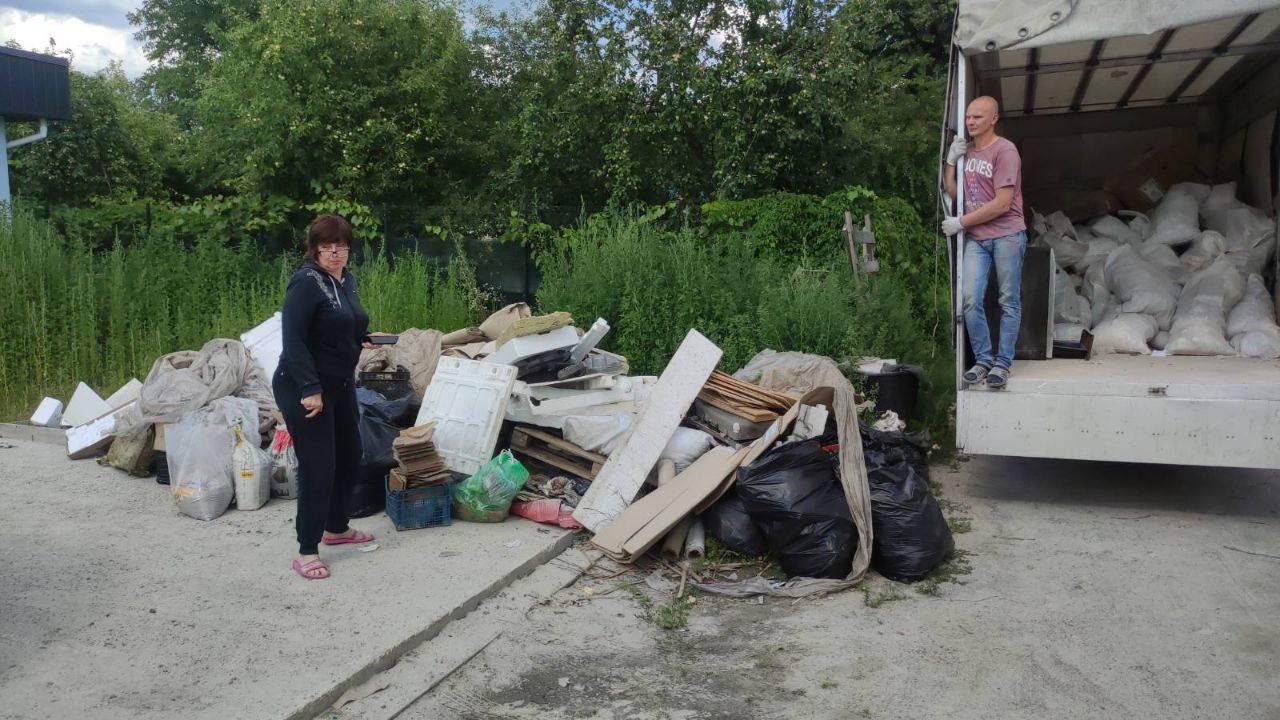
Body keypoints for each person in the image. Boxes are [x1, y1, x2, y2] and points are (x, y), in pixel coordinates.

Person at [275, 214, 379, 580]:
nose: (335, 253)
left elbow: (342, 324)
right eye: (327, 247)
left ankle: (336, 528)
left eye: (341, 246)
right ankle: (306, 550)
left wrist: (361, 339)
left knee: (350, 456)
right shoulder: (306, 283)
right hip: (304, 387)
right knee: (320, 465)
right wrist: (309, 389)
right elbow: (294, 340)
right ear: (315, 248)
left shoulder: (345, 280)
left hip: (339, 384)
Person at [942, 95, 1026, 390]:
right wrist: (951, 163)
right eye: (968, 117)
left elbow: (1003, 204)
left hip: (1007, 235)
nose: (970, 122)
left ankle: (1002, 365)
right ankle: (983, 360)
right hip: (978, 238)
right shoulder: (968, 154)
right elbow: (955, 194)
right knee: (969, 300)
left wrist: (961, 222)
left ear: (994, 119)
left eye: (977, 117)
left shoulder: (1006, 152)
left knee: (1008, 301)